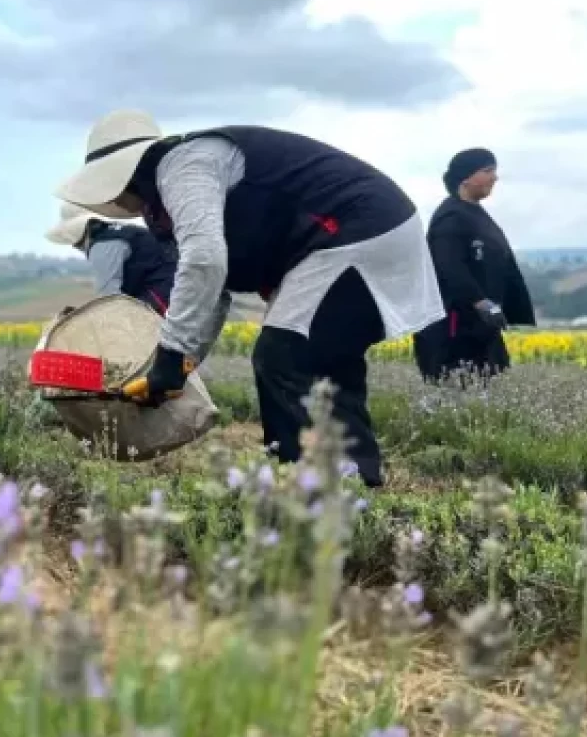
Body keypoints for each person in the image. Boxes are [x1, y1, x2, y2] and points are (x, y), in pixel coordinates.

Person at [54, 108, 445, 487]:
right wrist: (179, 365)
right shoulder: (173, 189)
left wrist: (172, 356)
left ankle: (303, 485)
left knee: (283, 356)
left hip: (356, 230)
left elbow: (205, 261)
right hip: (376, 228)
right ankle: (354, 480)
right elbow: (213, 293)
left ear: (124, 175)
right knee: (325, 361)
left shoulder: (184, 166)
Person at [413, 148, 535, 384]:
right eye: (487, 171)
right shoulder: (450, 218)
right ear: (466, 177)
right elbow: (447, 265)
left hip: (482, 326)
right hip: (455, 327)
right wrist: (479, 301)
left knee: (493, 388)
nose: (494, 177)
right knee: (460, 391)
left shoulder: (474, 213)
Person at [45, 201, 176, 315]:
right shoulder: (123, 232)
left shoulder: (102, 246)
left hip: (164, 298)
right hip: (177, 289)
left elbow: (109, 300)